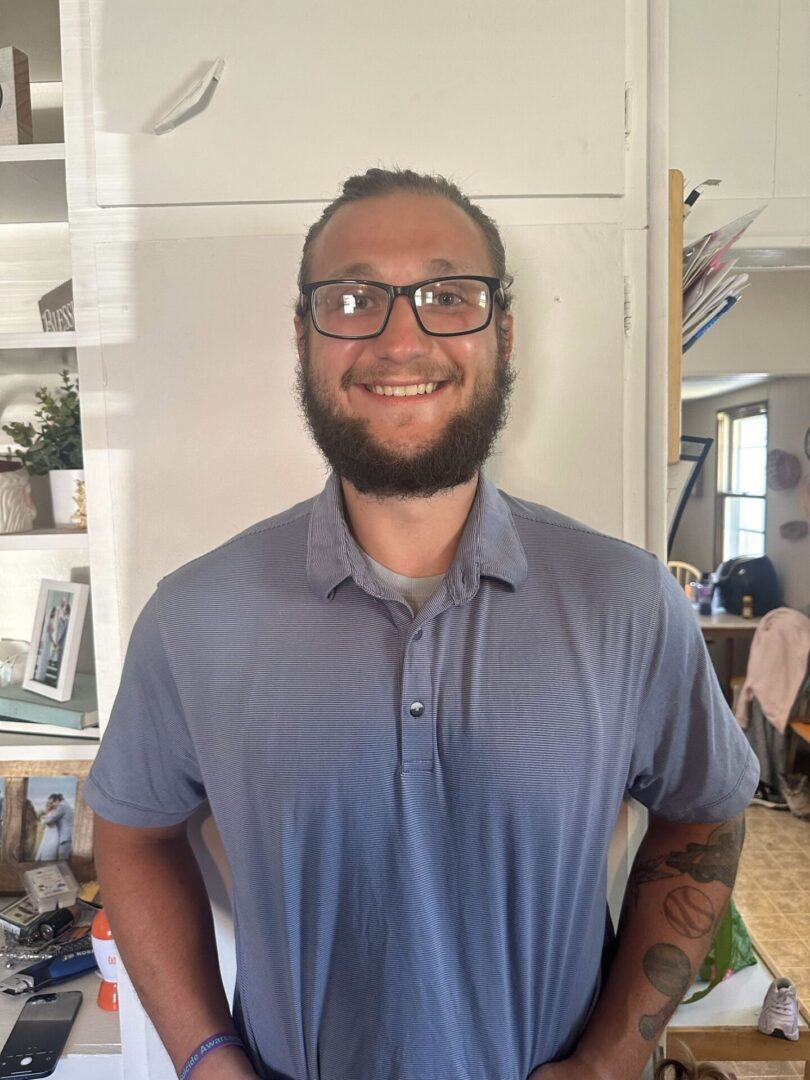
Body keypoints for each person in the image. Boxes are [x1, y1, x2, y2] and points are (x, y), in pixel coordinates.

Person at [84, 168, 759, 1080]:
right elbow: (131, 833)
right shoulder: (197, 616)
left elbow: (704, 812)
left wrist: (608, 1061)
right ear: (305, 337)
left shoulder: (627, 602)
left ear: (503, 332)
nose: (402, 340)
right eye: (354, 298)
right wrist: (206, 1059)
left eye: (448, 296)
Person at [35, 793, 73, 861]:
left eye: (53, 802)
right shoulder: (66, 805)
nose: (53, 805)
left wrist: (43, 819)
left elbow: (50, 819)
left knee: (63, 861)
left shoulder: (62, 805)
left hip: (65, 839)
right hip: (67, 838)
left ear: (57, 801)